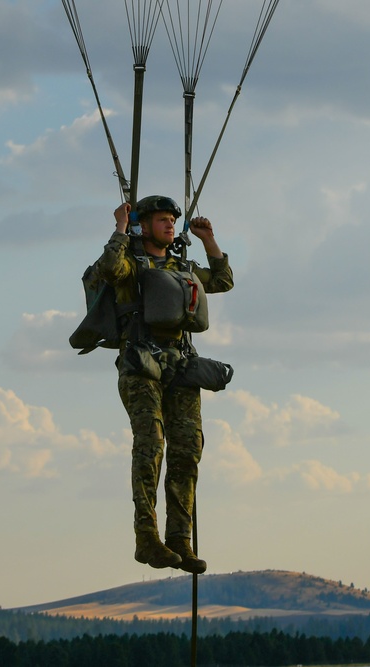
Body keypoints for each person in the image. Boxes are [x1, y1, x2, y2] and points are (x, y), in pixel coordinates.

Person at [94, 194, 234, 574]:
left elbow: (222, 281)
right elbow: (108, 269)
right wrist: (120, 228)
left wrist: (208, 240)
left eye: (173, 219)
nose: (170, 224)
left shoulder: (180, 266)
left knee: (187, 449)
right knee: (151, 444)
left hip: (179, 365)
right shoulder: (131, 265)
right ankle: (147, 538)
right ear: (144, 225)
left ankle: (179, 540)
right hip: (141, 364)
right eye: (161, 219)